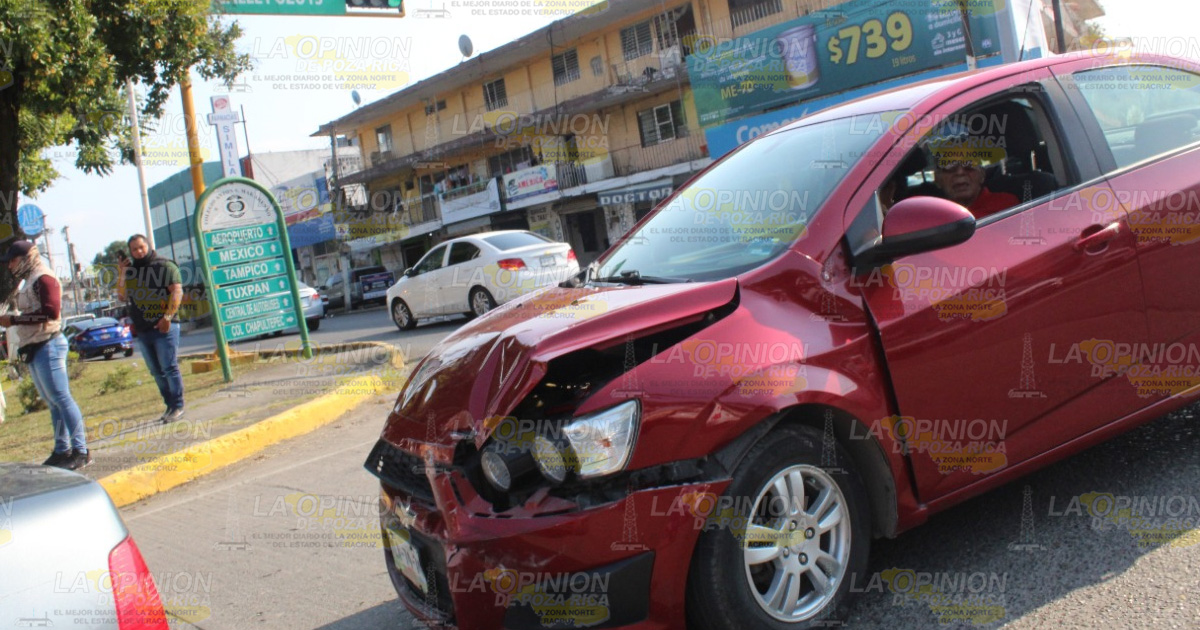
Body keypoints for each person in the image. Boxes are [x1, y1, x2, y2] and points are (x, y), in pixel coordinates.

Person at [0, 240, 90, 469]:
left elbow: (51, 312)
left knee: (61, 398)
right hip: (36, 346)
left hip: (48, 344)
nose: (10, 266)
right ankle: (62, 450)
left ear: (27, 257)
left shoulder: (44, 278)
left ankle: (81, 450)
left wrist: (14, 320)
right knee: (53, 402)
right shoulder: (29, 281)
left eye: (13, 260)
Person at [118, 234, 185, 424]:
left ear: (148, 245)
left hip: (165, 326)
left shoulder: (164, 265)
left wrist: (167, 317)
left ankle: (178, 406)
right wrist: (122, 272)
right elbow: (122, 296)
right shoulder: (131, 271)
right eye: (134, 249)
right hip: (143, 328)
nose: (138, 252)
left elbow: (177, 291)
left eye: (141, 247)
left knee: (169, 366)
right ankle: (170, 405)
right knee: (156, 370)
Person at [932, 158, 1020, 220]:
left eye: (969, 165)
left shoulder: (1006, 206)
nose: (960, 172)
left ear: (982, 175)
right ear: (937, 179)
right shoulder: (932, 216)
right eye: (950, 166)